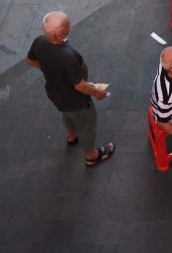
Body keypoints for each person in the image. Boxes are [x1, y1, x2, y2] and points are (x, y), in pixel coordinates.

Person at [26, 11, 115, 167]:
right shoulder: (67, 56)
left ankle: (72, 136)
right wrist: (97, 93)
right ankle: (91, 156)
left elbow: (30, 60)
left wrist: (48, 68)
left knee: (67, 116)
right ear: (62, 34)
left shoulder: (39, 42)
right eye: (68, 27)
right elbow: (80, 86)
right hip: (76, 101)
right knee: (86, 126)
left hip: (55, 94)